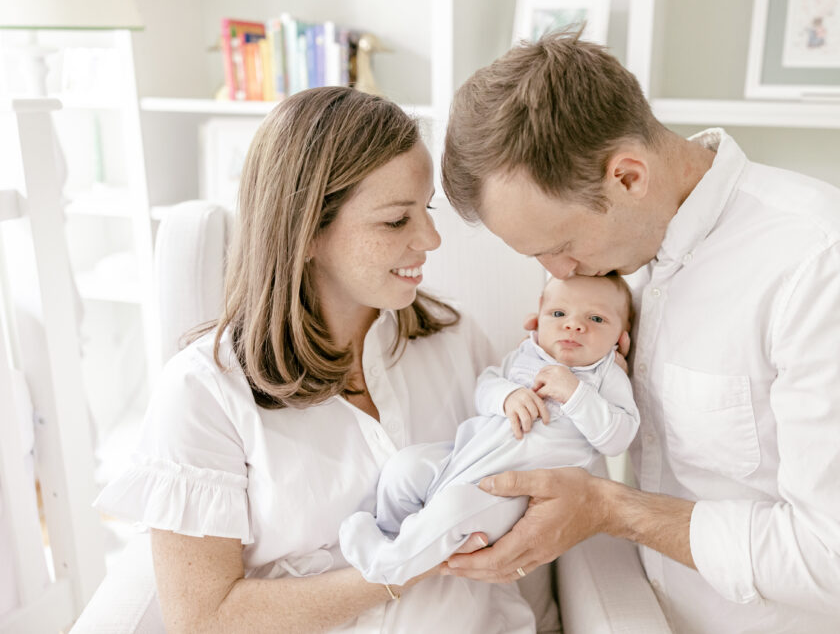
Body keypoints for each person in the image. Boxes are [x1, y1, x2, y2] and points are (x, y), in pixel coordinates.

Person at [439, 32, 840, 633]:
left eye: (561, 247)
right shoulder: (636, 257)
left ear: (627, 177)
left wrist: (609, 510)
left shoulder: (830, 267)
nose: (559, 275)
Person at [93, 87, 537, 633]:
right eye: (396, 221)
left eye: (426, 209)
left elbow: (526, 478)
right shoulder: (204, 394)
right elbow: (205, 619)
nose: (431, 238)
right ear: (305, 233)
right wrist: (403, 566)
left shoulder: (453, 339)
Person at [338, 274, 638, 586]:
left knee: (454, 508)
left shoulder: (606, 377)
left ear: (621, 337)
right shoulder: (526, 355)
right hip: (461, 458)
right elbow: (485, 387)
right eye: (559, 314)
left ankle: (389, 566)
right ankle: (390, 531)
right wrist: (507, 395)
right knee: (405, 466)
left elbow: (618, 439)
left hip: (508, 493)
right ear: (538, 318)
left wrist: (576, 394)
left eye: (597, 318)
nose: (574, 325)